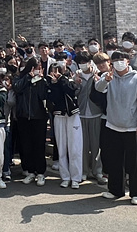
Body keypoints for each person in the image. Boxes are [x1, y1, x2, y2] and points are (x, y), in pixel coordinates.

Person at [96, 51, 137, 205]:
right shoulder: (108, 77)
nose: (119, 62)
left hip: (131, 127)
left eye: (121, 59)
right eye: (115, 60)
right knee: (114, 161)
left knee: (134, 163)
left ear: (128, 61)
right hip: (113, 125)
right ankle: (115, 190)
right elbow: (98, 89)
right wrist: (106, 80)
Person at [13, 57, 49, 186]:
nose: (38, 70)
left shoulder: (43, 81)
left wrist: (40, 80)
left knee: (39, 145)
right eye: (36, 68)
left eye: (40, 68)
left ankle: (40, 173)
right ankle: (30, 171)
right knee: (26, 145)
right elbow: (17, 88)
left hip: (39, 117)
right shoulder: (21, 78)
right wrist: (28, 77)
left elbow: (43, 96)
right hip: (24, 116)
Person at [47, 60, 82, 189]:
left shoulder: (69, 80)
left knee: (75, 147)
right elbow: (52, 99)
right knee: (61, 147)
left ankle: (76, 177)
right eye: (53, 71)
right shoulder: (49, 84)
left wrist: (61, 79)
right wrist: (53, 84)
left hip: (73, 115)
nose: (55, 73)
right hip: (59, 116)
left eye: (57, 71)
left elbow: (71, 91)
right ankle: (65, 177)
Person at [75, 51, 107, 185]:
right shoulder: (77, 75)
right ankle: (84, 171)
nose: (83, 65)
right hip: (81, 114)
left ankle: (97, 171)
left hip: (96, 113)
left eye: (85, 62)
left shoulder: (98, 74)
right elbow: (74, 94)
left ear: (90, 62)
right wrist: (76, 84)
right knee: (83, 145)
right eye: (80, 63)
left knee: (96, 145)